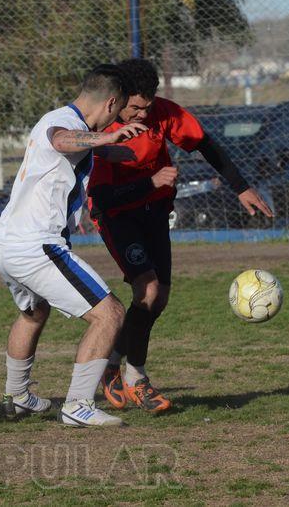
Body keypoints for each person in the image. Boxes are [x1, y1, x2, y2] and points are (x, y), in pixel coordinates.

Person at [88, 58, 273, 413]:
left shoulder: (163, 113)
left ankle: (111, 360)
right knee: (148, 289)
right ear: (117, 99)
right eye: (135, 108)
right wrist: (149, 182)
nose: (142, 114)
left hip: (154, 212)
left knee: (159, 300)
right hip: (117, 216)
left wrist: (241, 188)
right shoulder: (102, 129)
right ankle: (136, 378)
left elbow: (205, 143)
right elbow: (101, 198)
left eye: (148, 107)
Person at [0, 64, 147, 427]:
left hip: (5, 242)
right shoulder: (63, 124)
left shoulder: (63, 119)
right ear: (110, 104)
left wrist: (109, 151)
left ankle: (17, 396)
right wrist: (108, 140)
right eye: (118, 113)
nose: (114, 124)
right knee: (110, 314)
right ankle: (78, 405)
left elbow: (67, 149)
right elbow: (62, 140)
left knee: (34, 313)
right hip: (35, 246)